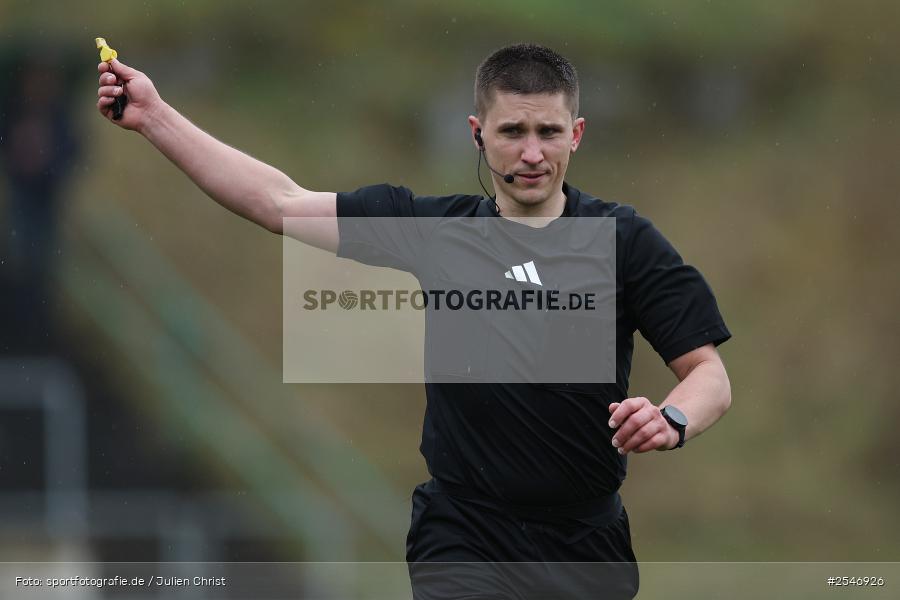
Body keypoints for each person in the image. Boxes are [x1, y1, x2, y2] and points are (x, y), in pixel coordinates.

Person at [95, 43, 732, 599]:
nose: (532, 153)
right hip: (464, 532)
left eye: (549, 132)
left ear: (577, 134)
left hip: (584, 545)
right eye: (513, 132)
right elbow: (278, 201)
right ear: (478, 133)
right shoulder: (432, 229)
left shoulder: (624, 240)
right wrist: (155, 117)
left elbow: (709, 376)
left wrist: (671, 418)